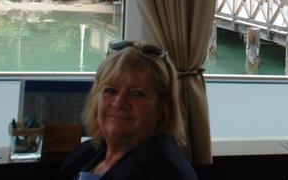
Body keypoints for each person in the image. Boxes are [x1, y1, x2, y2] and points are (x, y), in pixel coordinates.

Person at [56, 40, 198, 180]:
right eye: (111, 90)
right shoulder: (89, 151)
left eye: (137, 93)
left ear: (163, 107)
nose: (119, 102)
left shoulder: (162, 170)